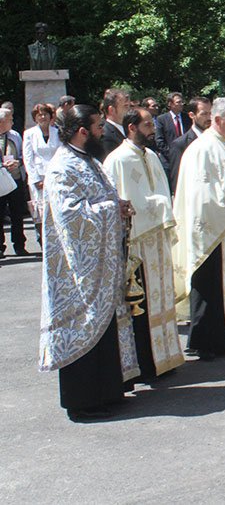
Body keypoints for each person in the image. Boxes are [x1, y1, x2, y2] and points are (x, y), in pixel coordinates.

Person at [39, 104, 139, 421]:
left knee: (105, 326)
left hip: (102, 263)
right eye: (98, 127)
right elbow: (71, 217)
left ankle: (108, 390)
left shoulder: (89, 160)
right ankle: (82, 400)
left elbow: (100, 198)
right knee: (83, 326)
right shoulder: (61, 167)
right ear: (83, 131)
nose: (102, 132)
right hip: (77, 271)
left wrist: (117, 205)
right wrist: (112, 209)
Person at [102, 108, 185, 379]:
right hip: (137, 243)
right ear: (131, 127)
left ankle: (165, 358)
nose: (153, 129)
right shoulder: (118, 160)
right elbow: (121, 201)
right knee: (141, 304)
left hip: (157, 240)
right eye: (147, 124)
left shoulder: (151, 156)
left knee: (161, 300)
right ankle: (146, 364)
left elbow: (162, 192)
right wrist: (160, 206)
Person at [173, 97, 225, 360]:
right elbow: (203, 194)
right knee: (209, 283)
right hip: (211, 229)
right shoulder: (203, 148)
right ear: (217, 120)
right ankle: (205, 340)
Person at [22, 103, 61, 245]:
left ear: (50, 116)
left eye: (45, 114)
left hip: (55, 176)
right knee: (40, 210)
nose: (43, 117)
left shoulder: (57, 132)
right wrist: (35, 179)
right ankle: (43, 240)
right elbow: (28, 158)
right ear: (35, 117)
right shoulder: (29, 134)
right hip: (37, 177)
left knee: (55, 208)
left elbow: (62, 153)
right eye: (39, 114)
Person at [0, 107, 30, 257]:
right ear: (2, 121)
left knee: (17, 213)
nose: (12, 121)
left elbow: (21, 154)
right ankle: (0, 247)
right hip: (0, 180)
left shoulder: (15, 135)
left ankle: (19, 245)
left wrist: (18, 163)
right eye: (10, 119)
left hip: (15, 178)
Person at [167, 96, 212, 195]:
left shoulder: (217, 140)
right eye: (204, 114)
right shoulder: (180, 144)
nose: (209, 118)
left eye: (210, 113)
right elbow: (177, 181)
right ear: (192, 115)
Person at [155, 92, 189, 164]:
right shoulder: (162, 119)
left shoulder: (187, 118)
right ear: (170, 104)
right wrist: (172, 154)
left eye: (182, 102)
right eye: (178, 102)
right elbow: (159, 140)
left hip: (187, 157)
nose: (181, 104)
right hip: (170, 160)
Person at [99, 88, 130, 161]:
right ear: (112, 110)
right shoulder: (105, 135)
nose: (129, 110)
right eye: (125, 106)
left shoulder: (128, 129)